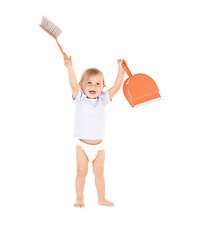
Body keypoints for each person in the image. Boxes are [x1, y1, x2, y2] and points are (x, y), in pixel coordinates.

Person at [64, 56, 125, 207]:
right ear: (82, 86)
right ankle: (79, 198)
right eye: (89, 82)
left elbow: (116, 87)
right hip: (82, 146)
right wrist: (70, 68)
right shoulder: (80, 99)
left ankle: (101, 198)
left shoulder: (103, 99)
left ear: (103, 87)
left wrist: (121, 71)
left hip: (99, 147)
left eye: (98, 83)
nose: (93, 86)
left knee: (99, 174)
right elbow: (72, 85)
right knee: (81, 173)